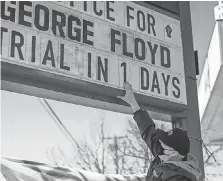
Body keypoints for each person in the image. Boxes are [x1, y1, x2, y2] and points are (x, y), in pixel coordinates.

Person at [118, 82, 202, 181]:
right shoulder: (164, 157)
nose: (159, 145)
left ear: (172, 153)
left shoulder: (181, 178)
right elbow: (149, 134)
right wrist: (133, 104)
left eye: (163, 145)